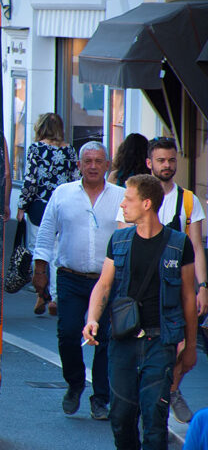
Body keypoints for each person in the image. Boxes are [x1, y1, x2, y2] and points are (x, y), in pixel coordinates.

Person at [83, 174, 198, 450]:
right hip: (123, 341)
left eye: (128, 199)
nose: (122, 204)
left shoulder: (179, 244)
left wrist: (191, 346)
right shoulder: (119, 240)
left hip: (160, 342)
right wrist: (92, 319)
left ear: (147, 203)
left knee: (154, 420)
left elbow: (187, 298)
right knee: (121, 419)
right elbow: (104, 284)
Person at [115, 136, 208, 423]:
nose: (167, 165)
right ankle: (154, 393)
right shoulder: (132, 197)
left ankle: (171, 388)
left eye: (171, 160)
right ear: (149, 163)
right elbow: (123, 242)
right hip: (143, 291)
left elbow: (195, 249)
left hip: (175, 284)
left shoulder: (189, 200)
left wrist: (202, 287)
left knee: (180, 345)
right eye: (161, 160)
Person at [33, 141, 124, 420]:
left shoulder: (121, 197)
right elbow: (46, 234)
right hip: (70, 277)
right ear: (79, 165)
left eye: (98, 161)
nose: (93, 166)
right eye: (88, 161)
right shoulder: (63, 194)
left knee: (105, 339)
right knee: (68, 333)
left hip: (107, 280)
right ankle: (74, 383)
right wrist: (40, 270)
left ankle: (100, 398)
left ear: (107, 165)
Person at [16, 113, 80, 316]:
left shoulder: (36, 149)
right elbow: (75, 178)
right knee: (58, 251)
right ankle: (55, 297)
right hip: (63, 205)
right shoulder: (69, 149)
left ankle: (40, 293)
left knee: (39, 250)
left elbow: (30, 180)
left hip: (39, 206)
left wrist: (22, 205)